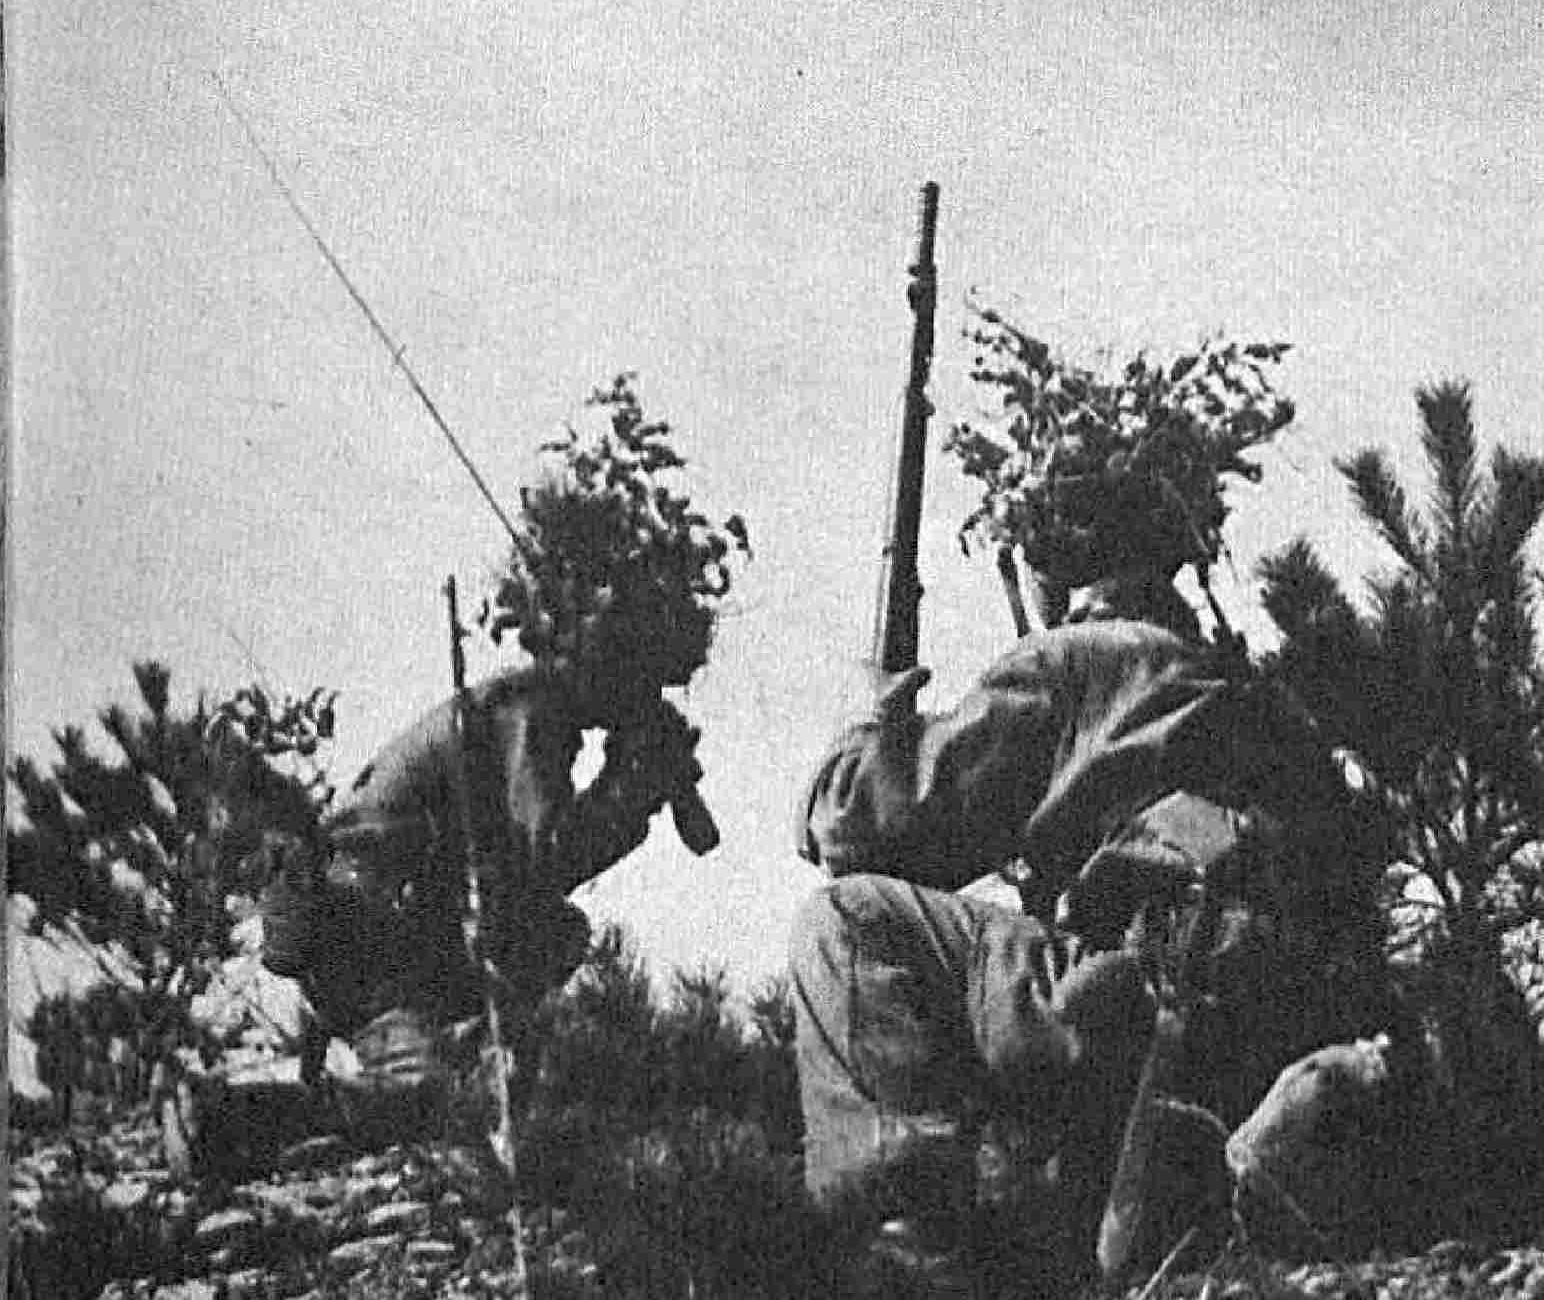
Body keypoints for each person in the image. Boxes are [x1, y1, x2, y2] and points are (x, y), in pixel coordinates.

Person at [789, 533, 1389, 1294]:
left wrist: (870, 727)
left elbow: (860, 826)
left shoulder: (1086, 655)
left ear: (1050, 566)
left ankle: (906, 1250)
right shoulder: (1242, 688)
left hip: (1149, 997)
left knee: (847, 920)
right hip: (1273, 1019)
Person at [258, 654, 707, 1093]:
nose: (644, 699)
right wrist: (632, 786)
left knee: (553, 930)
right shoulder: (531, 709)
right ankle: (400, 1081)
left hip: (382, 928)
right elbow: (548, 859)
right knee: (425, 1099)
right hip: (369, 934)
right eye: (642, 681)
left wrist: (632, 791)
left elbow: (528, 871)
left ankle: (467, 1064)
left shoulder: (520, 704)